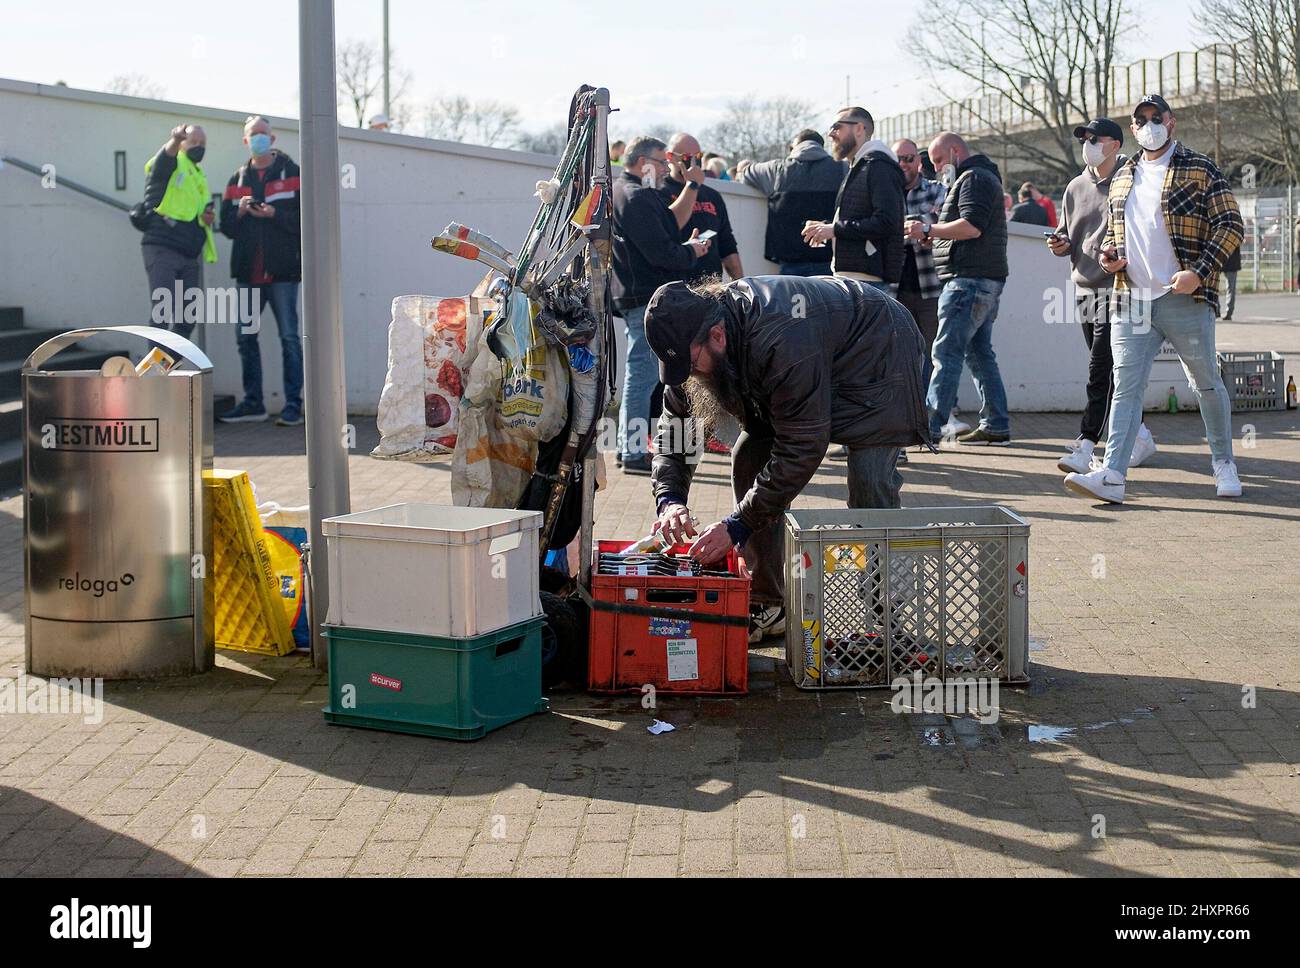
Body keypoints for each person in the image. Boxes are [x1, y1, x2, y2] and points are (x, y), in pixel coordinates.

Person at [643, 276, 928, 642]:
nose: (690, 375)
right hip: (816, 354)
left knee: (870, 484)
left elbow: (802, 447)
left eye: (692, 363)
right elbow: (676, 435)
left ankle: (888, 613)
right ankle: (768, 603)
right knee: (748, 455)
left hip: (880, 350)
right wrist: (669, 501)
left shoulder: (782, 337)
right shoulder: (689, 350)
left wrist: (736, 525)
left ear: (717, 336)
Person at [1064, 94, 1244, 502]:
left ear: (1171, 121)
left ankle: (1224, 463)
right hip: (1131, 298)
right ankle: (1112, 474)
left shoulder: (1199, 168)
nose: (1149, 125)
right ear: (1132, 129)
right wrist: (1110, 256)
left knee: (1205, 383)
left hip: (1184, 298)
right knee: (1125, 386)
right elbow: (1115, 229)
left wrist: (1199, 273)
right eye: (1141, 120)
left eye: (1155, 117)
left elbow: (1231, 224)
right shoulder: (1125, 174)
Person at [1049, 117, 1155, 474]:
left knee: (1101, 369)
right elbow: (1068, 236)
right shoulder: (1075, 187)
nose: (1089, 143)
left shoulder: (1132, 181)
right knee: (1110, 371)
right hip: (1083, 288)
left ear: (1114, 145)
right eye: (1085, 138)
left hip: (1120, 289)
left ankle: (1086, 442)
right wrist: (1060, 244)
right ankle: (1137, 434)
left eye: (1096, 138)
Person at [611, 136, 712, 474]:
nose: (669, 166)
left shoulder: (631, 193)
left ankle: (632, 447)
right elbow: (661, 250)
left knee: (643, 374)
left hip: (637, 294)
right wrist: (690, 252)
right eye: (661, 159)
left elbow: (668, 225)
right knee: (641, 376)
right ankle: (632, 450)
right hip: (643, 296)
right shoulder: (635, 196)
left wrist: (691, 191)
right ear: (644, 163)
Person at [905, 131, 1011, 445]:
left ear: (954, 152)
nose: (935, 168)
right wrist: (935, 232)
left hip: (967, 281)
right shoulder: (981, 178)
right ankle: (996, 423)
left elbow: (971, 226)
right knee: (979, 354)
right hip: (982, 280)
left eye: (937, 160)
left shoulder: (974, 179)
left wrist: (928, 228)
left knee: (946, 352)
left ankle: (930, 427)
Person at [217, 116, 304, 426]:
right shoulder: (236, 180)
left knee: (290, 339)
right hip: (247, 275)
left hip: (283, 273)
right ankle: (253, 403)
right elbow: (225, 227)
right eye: (253, 135)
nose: (259, 139)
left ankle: (293, 405)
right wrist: (240, 212)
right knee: (245, 338)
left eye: (263, 135)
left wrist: (273, 213)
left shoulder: (293, 173)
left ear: (273, 138)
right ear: (245, 141)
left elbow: (305, 221)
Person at [801, 107, 905, 293]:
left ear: (859, 129)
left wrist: (833, 229)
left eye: (837, 126)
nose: (831, 134)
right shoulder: (861, 166)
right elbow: (861, 217)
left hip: (866, 282)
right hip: (853, 278)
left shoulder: (878, 166)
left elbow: (887, 221)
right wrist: (825, 228)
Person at [735, 128, 844, 277]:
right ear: (821, 147)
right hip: (829, 259)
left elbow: (745, 173)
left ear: (794, 148)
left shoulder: (776, 169)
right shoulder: (842, 169)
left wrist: (743, 167)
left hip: (790, 261)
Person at [141, 123, 216, 339]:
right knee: (162, 313)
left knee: (187, 319)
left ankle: (165, 369)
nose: (199, 147)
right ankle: (153, 372)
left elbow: (192, 209)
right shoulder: (173, 161)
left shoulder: (198, 174)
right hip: (163, 246)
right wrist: (174, 140)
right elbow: (164, 161)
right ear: (182, 143)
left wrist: (206, 217)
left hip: (189, 253)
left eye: (202, 144)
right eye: (193, 142)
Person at [663, 133, 743, 283]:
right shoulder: (659, 192)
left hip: (712, 287)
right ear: (671, 157)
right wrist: (691, 186)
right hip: (675, 289)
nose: (694, 163)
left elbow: (728, 245)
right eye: (687, 158)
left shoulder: (712, 196)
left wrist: (742, 287)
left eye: (698, 157)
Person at [1220, 244, 1240, 319]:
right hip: (1229, 260)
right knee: (1230, 288)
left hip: (1223, 259)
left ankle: (1227, 312)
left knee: (1230, 288)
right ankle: (1228, 312)